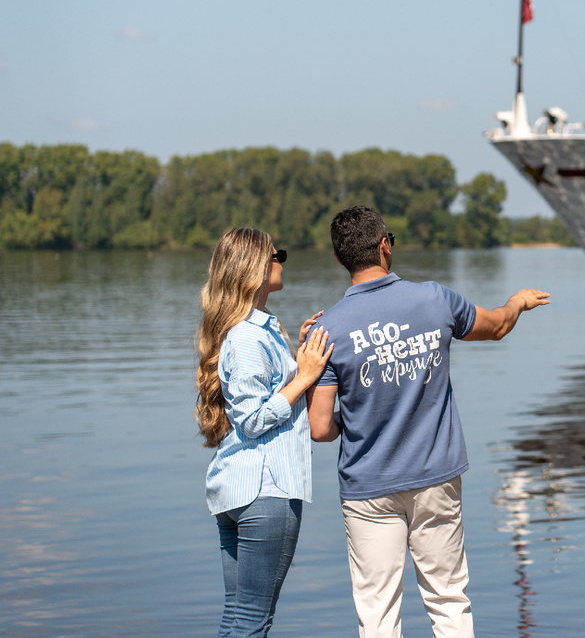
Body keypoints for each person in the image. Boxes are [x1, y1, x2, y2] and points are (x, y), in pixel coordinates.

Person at [308, 205, 549, 638]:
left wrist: (362, 414)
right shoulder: (435, 299)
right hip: (436, 477)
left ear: (340, 259)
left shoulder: (325, 330)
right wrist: (517, 302)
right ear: (384, 246)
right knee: (449, 599)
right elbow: (496, 327)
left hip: (368, 488)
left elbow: (321, 428)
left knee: (378, 612)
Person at [196, 227, 333, 638]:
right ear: (255, 267)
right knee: (254, 622)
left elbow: (259, 392)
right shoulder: (248, 338)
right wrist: (306, 376)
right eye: (278, 255)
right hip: (266, 491)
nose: (282, 260)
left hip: (237, 489)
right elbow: (253, 419)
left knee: (236, 616)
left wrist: (297, 357)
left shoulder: (252, 332)